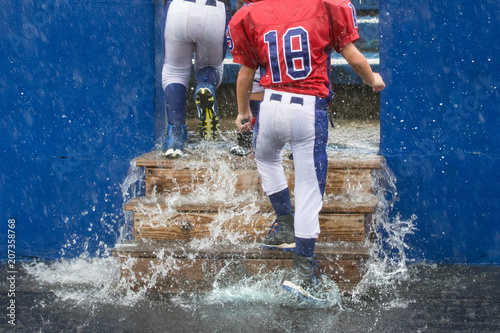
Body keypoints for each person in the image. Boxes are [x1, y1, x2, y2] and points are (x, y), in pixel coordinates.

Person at [228, 0, 385, 302]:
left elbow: (245, 75)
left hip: (270, 105)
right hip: (308, 109)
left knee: (265, 157)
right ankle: (302, 269)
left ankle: (284, 222)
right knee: (309, 189)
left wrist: (244, 111)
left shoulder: (253, 13)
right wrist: (372, 80)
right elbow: (352, 57)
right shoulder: (326, 7)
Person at [161, 0, 232, 158]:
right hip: (215, 10)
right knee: (211, 67)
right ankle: (205, 85)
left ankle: (175, 136)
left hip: (178, 9)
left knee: (175, 72)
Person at [229, 0, 264, 156]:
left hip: (258, 14)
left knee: (252, 72)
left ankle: (248, 135)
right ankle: (251, 134)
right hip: (277, 15)